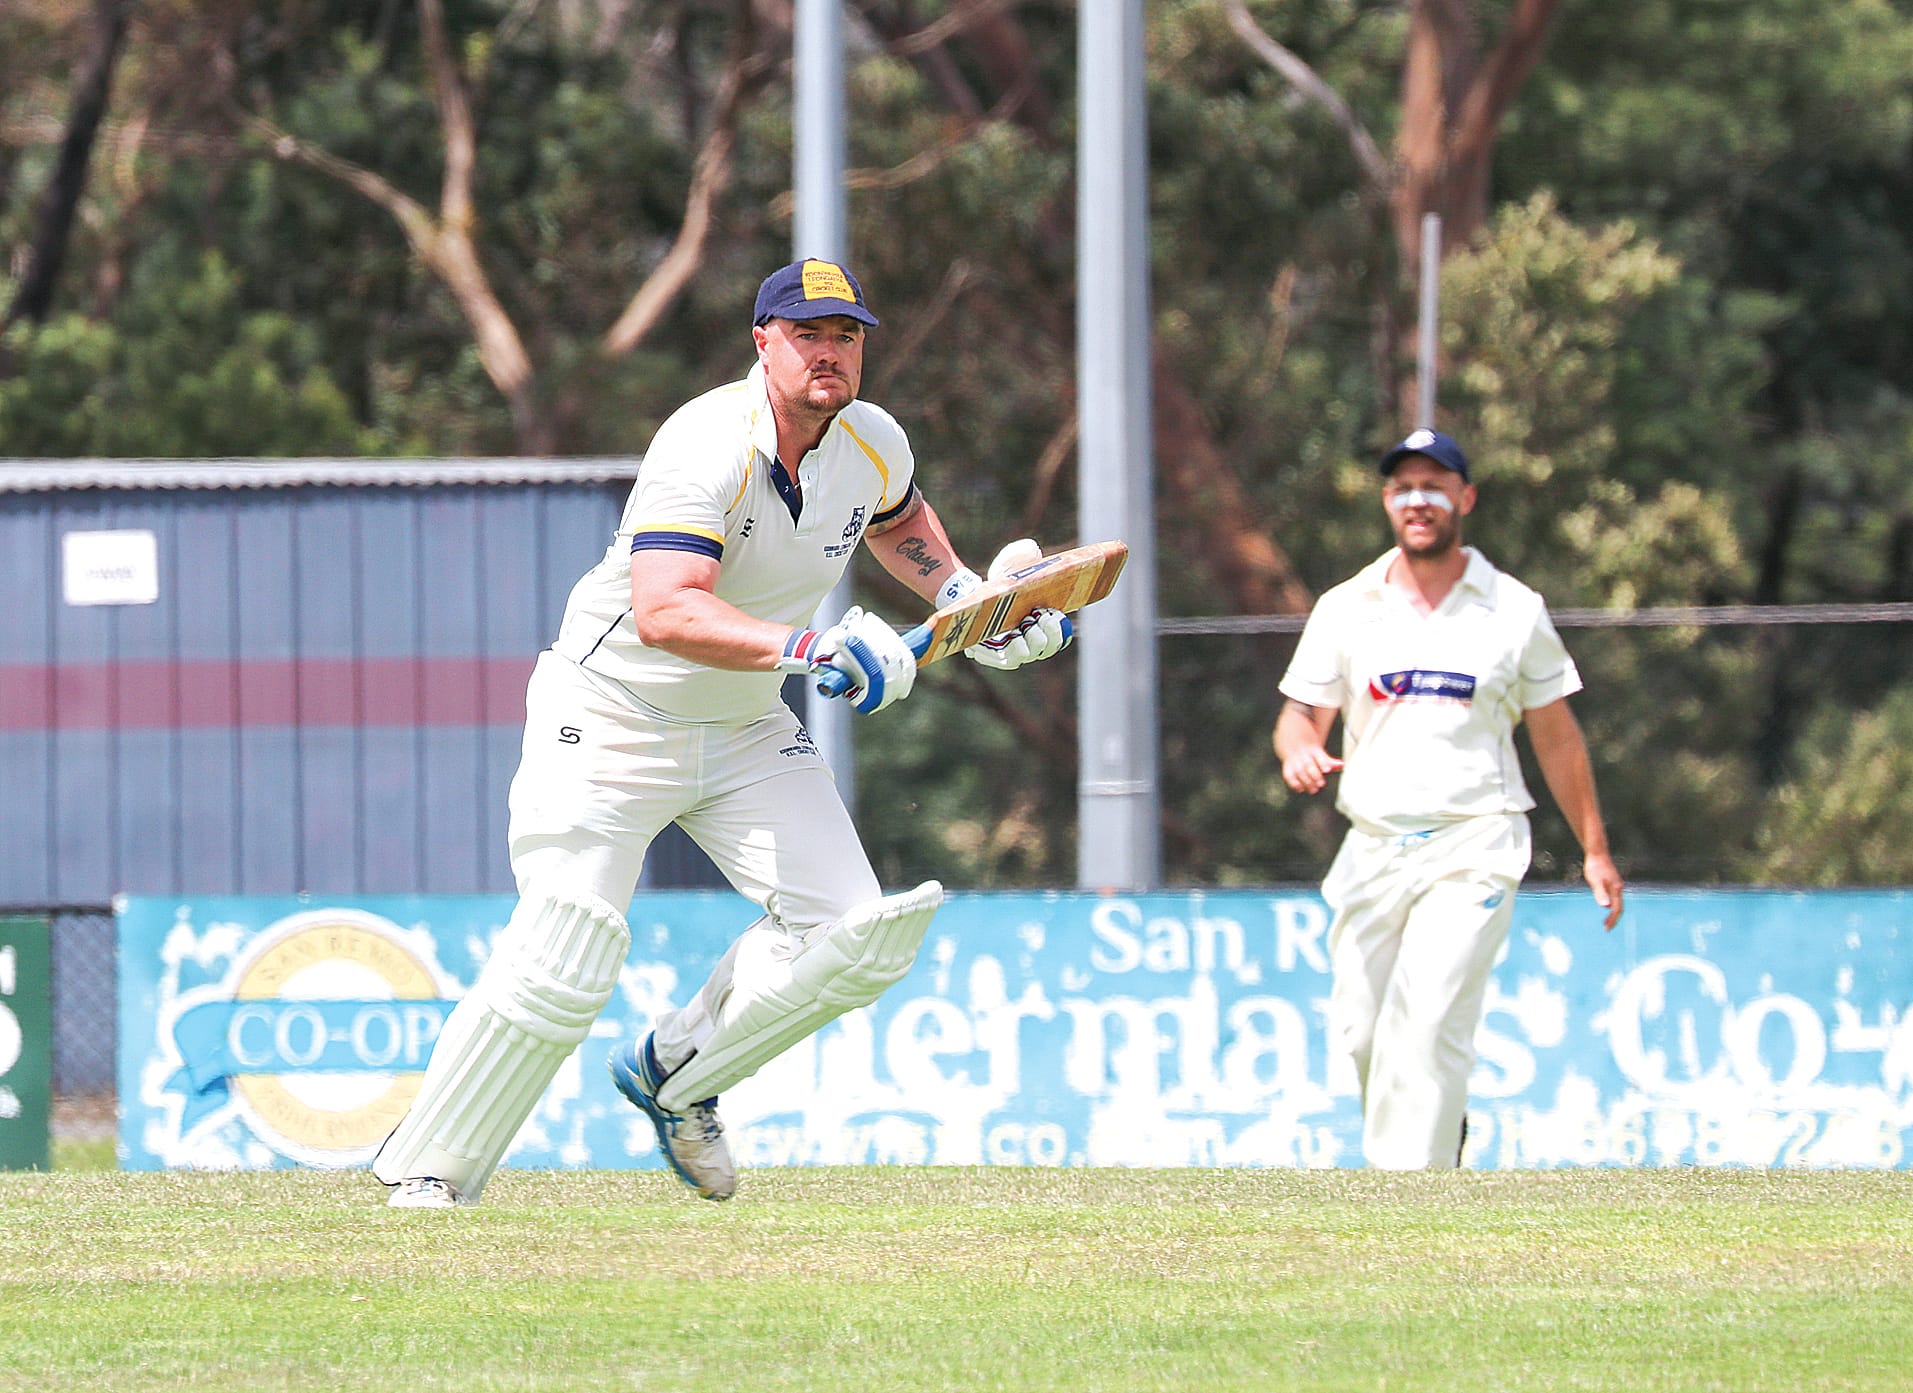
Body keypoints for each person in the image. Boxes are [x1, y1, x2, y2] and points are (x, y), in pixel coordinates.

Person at [373, 258, 1073, 1207]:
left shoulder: (872, 442)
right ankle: (430, 1172)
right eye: (807, 335)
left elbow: (901, 527)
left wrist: (971, 606)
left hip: (740, 725)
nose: (829, 354)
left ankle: (675, 1071)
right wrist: (813, 644)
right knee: (566, 947)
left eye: (847, 336)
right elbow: (666, 611)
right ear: (763, 342)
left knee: (855, 934)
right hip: (609, 716)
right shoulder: (707, 443)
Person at [1272, 427, 1625, 1170]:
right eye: (1403, 487)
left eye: (1435, 486)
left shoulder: (1513, 608)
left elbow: (1557, 737)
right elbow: (1300, 713)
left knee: (1427, 1017)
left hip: (1477, 841)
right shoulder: (1346, 605)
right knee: (1365, 1033)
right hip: (1371, 844)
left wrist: (1593, 847)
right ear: (1386, 502)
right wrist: (1298, 748)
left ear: (1464, 498)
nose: (1418, 500)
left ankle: (1411, 1200)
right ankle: (1434, 1147)